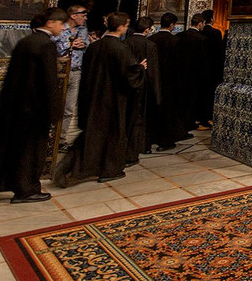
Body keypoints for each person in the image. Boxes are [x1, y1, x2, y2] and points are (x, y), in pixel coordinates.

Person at [0, 7, 68, 203]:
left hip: (17, 105)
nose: (63, 28)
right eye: (61, 23)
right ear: (50, 23)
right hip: (35, 108)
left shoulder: (26, 41)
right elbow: (48, 81)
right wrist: (55, 109)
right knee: (31, 151)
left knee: (15, 146)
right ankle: (26, 189)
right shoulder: (46, 45)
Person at [53, 12, 146, 187]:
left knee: (92, 133)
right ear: (120, 27)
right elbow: (129, 75)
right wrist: (140, 68)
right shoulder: (120, 48)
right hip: (112, 99)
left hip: (92, 96)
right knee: (113, 134)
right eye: (125, 26)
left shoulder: (95, 47)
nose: (126, 29)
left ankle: (76, 168)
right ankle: (109, 169)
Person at [148, 12, 189, 149]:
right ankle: (166, 139)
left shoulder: (151, 39)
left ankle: (152, 136)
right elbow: (179, 64)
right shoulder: (175, 41)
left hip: (153, 79)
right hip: (170, 81)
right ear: (172, 25)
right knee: (168, 112)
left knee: (154, 109)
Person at [124, 16, 161, 163]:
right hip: (143, 86)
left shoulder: (125, 43)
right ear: (147, 30)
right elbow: (154, 71)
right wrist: (156, 92)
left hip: (127, 86)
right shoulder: (150, 45)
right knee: (141, 119)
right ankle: (140, 146)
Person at [53, 4, 89, 146]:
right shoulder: (60, 28)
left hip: (76, 71)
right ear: (73, 16)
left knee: (69, 108)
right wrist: (69, 45)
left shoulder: (83, 30)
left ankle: (61, 139)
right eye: (83, 15)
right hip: (60, 71)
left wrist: (84, 45)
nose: (85, 18)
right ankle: (50, 137)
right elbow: (52, 47)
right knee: (55, 104)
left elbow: (86, 45)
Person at [177, 12, 210, 130]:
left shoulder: (180, 36)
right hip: (195, 75)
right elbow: (203, 59)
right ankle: (189, 123)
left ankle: (180, 121)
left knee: (181, 99)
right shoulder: (202, 39)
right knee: (192, 100)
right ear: (200, 24)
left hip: (180, 73)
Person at [199, 10, 225, 126]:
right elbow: (218, 52)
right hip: (213, 67)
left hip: (200, 66)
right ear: (212, 19)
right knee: (209, 94)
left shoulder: (200, 32)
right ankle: (207, 117)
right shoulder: (216, 33)